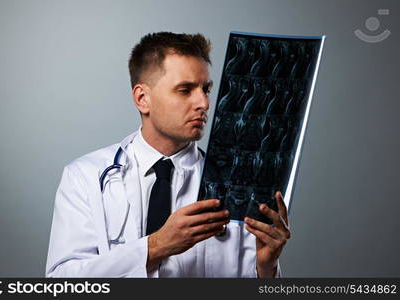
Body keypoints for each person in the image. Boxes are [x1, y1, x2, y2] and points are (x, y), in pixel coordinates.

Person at [46, 32, 290, 278]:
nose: (204, 103)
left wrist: (266, 268)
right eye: (185, 90)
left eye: (206, 89)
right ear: (143, 99)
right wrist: (155, 247)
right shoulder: (85, 176)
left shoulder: (238, 184)